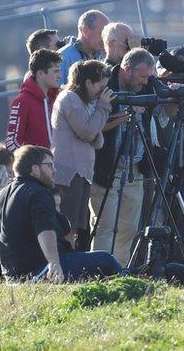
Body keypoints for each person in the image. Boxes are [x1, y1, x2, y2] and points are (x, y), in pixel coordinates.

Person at [0, 146, 122, 285]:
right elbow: (45, 230)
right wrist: (54, 263)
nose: (54, 171)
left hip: (12, 279)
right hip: (39, 271)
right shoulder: (38, 193)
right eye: (49, 165)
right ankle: (133, 285)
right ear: (34, 169)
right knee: (106, 260)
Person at [89, 48, 159, 266]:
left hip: (135, 167)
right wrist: (125, 114)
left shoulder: (145, 84)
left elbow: (164, 93)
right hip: (107, 167)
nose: (145, 81)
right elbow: (94, 126)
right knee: (104, 225)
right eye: (142, 75)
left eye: (148, 76)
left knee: (129, 227)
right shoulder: (105, 84)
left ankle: (119, 271)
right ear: (127, 70)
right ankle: (99, 272)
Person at [50, 60, 113, 247]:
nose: (101, 92)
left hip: (81, 173)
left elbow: (97, 138)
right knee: (66, 226)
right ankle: (63, 264)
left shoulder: (84, 102)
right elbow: (87, 131)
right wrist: (103, 108)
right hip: (69, 173)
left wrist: (92, 133)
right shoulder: (70, 99)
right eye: (100, 87)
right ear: (88, 83)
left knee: (76, 227)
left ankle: (70, 263)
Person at [5, 49, 62, 151]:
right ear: (40, 74)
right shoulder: (22, 101)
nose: (60, 76)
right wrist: (34, 161)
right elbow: (12, 142)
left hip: (59, 164)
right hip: (37, 165)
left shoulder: (59, 98)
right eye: (56, 71)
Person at [57, 10, 109, 85]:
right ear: (85, 31)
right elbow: (56, 92)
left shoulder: (102, 56)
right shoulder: (63, 57)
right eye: (102, 34)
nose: (105, 39)